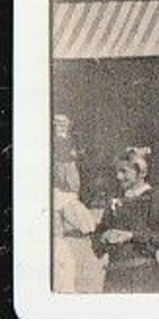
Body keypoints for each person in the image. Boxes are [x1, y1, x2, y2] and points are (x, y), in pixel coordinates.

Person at [92, 147, 159, 293]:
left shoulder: (154, 199)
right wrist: (103, 237)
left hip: (143, 276)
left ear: (142, 173)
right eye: (117, 171)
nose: (118, 176)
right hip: (115, 277)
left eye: (124, 172)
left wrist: (131, 236)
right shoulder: (116, 199)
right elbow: (100, 231)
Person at [52, 116, 100, 293]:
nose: (62, 126)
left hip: (68, 171)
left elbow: (76, 154)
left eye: (65, 123)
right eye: (58, 123)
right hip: (62, 174)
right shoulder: (53, 140)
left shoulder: (71, 139)